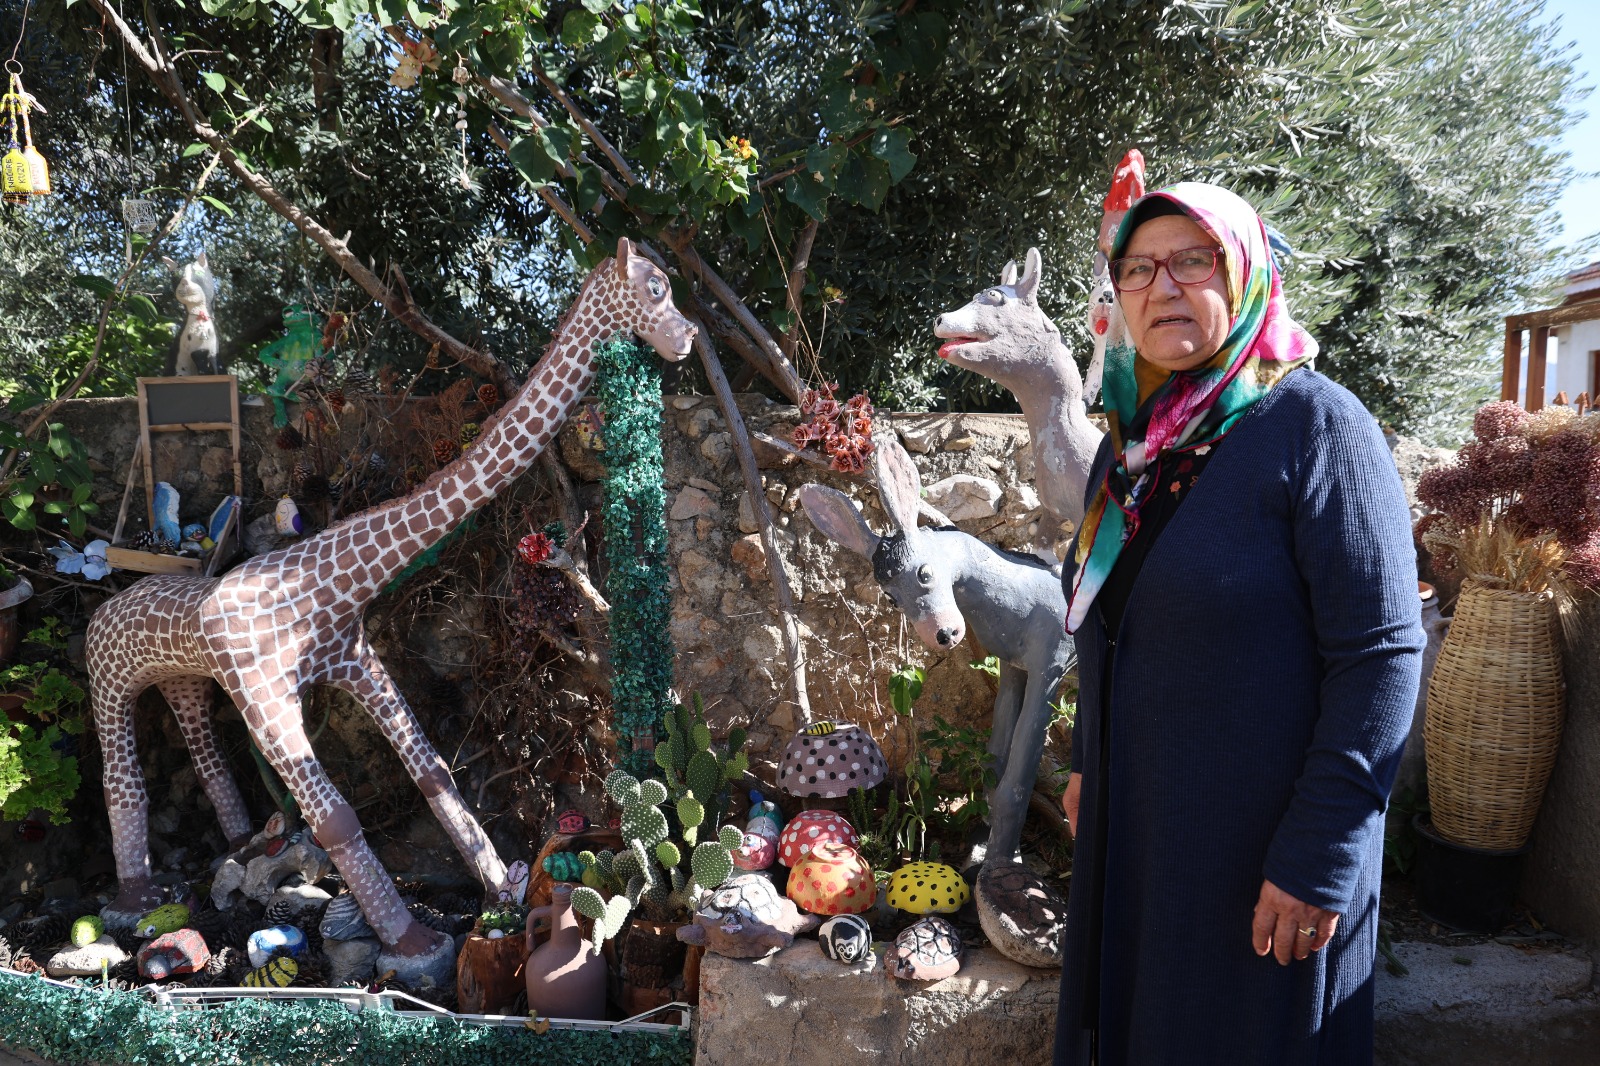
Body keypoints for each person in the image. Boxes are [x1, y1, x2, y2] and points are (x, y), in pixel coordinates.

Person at [1053, 182, 1423, 1065]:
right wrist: (1085, 762)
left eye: (1193, 260)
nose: (1164, 287)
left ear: (1248, 273)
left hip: (1262, 860)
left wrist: (1320, 856)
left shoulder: (1316, 426)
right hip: (1141, 837)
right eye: (1138, 269)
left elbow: (1381, 655)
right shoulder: (1136, 444)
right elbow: (1117, 621)